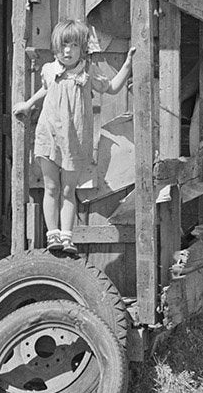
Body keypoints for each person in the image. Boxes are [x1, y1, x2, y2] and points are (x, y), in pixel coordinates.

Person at [14, 19, 135, 255]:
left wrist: (128, 64)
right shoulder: (49, 69)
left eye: (73, 45)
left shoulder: (88, 72)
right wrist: (28, 104)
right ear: (56, 47)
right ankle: (53, 236)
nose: (67, 51)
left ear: (83, 48)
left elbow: (111, 88)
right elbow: (46, 89)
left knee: (69, 191)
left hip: (74, 140)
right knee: (51, 188)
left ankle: (67, 238)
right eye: (63, 45)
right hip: (48, 137)